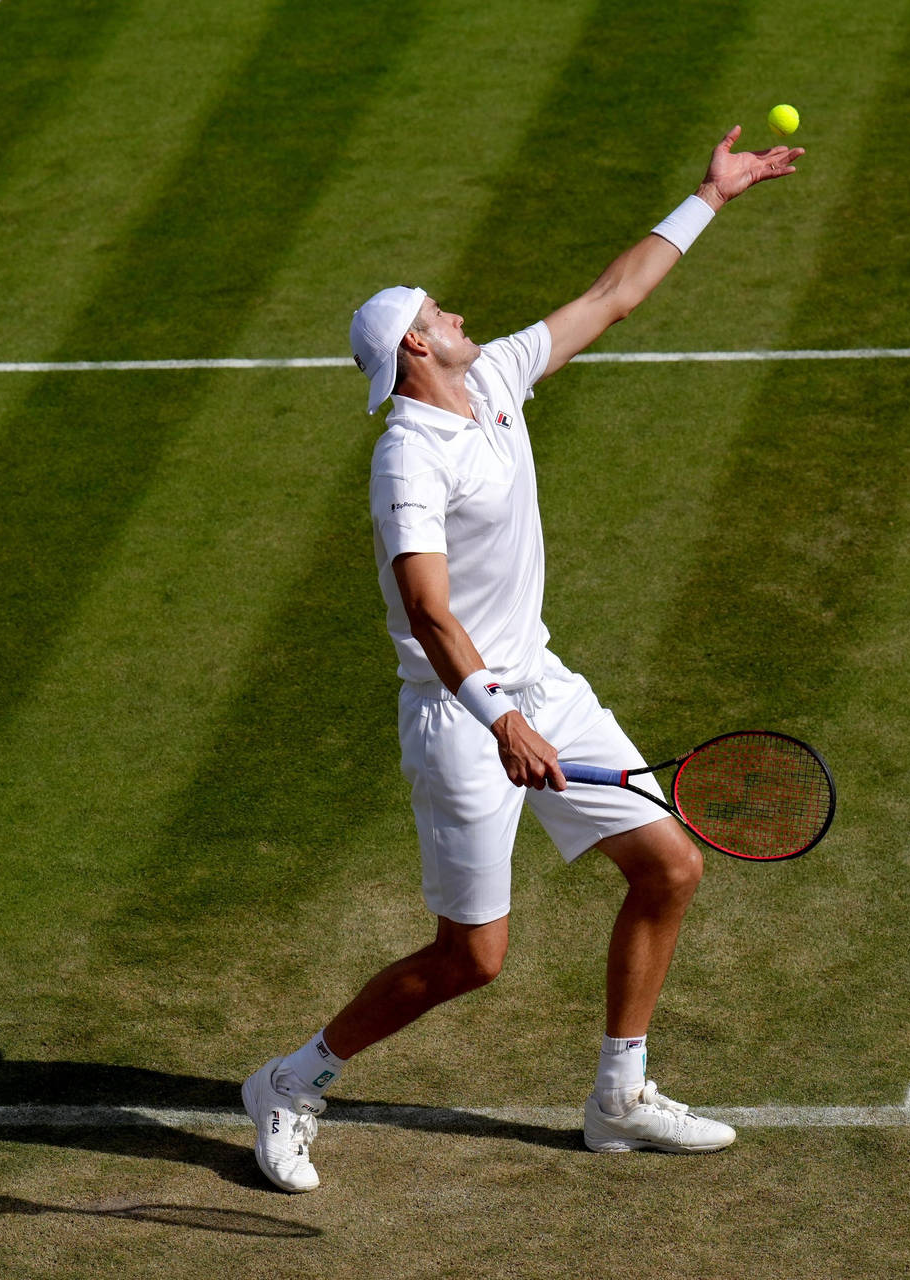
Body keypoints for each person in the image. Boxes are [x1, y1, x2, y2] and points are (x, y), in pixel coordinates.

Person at [242, 127, 803, 1192]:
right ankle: (289, 1080)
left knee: (672, 863)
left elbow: (611, 295)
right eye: (435, 311)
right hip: (463, 718)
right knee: (473, 956)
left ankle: (619, 1096)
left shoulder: (494, 374)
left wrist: (711, 197)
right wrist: (501, 717)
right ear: (414, 349)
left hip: (541, 684)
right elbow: (428, 607)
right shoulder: (407, 456)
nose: (454, 312)